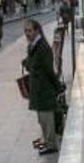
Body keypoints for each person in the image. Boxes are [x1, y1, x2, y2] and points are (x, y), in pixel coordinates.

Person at [23, 19, 60, 155]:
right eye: (25, 31)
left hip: (44, 88)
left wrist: (57, 87)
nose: (27, 34)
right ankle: (47, 141)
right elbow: (31, 64)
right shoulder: (34, 45)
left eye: (30, 31)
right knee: (41, 117)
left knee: (46, 117)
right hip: (38, 88)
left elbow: (49, 70)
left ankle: (51, 145)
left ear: (37, 30)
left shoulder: (42, 47)